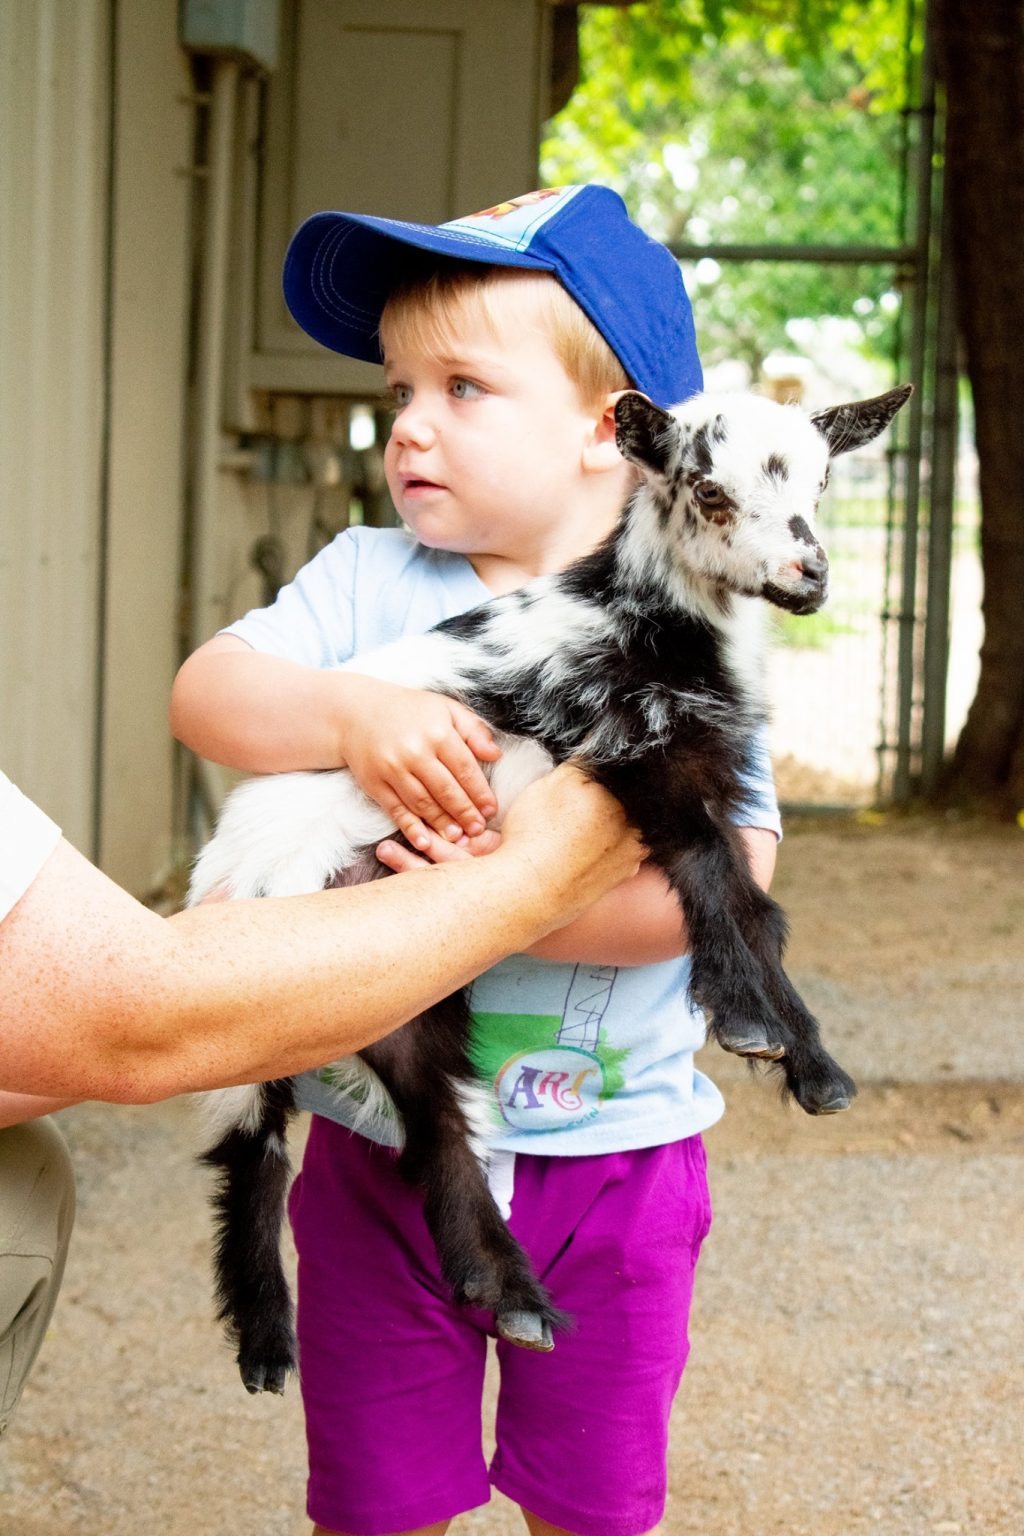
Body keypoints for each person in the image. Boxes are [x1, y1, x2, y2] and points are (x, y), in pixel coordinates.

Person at [171, 184, 782, 1536]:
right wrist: (353, 712)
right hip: (375, 1146)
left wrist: (480, 906)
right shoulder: (368, 582)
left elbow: (727, 878)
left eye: (462, 385)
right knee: (378, 1503)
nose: (410, 424)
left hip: (614, 1166)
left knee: (594, 1499)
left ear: (609, 433)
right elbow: (208, 693)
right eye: (401, 387)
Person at [0, 762, 641, 1441]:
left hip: (334, 889)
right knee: (251, 1117)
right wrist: (533, 880)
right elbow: (138, 1017)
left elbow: (128, 1019)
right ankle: (256, 1294)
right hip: (303, 881)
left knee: (405, 1092)